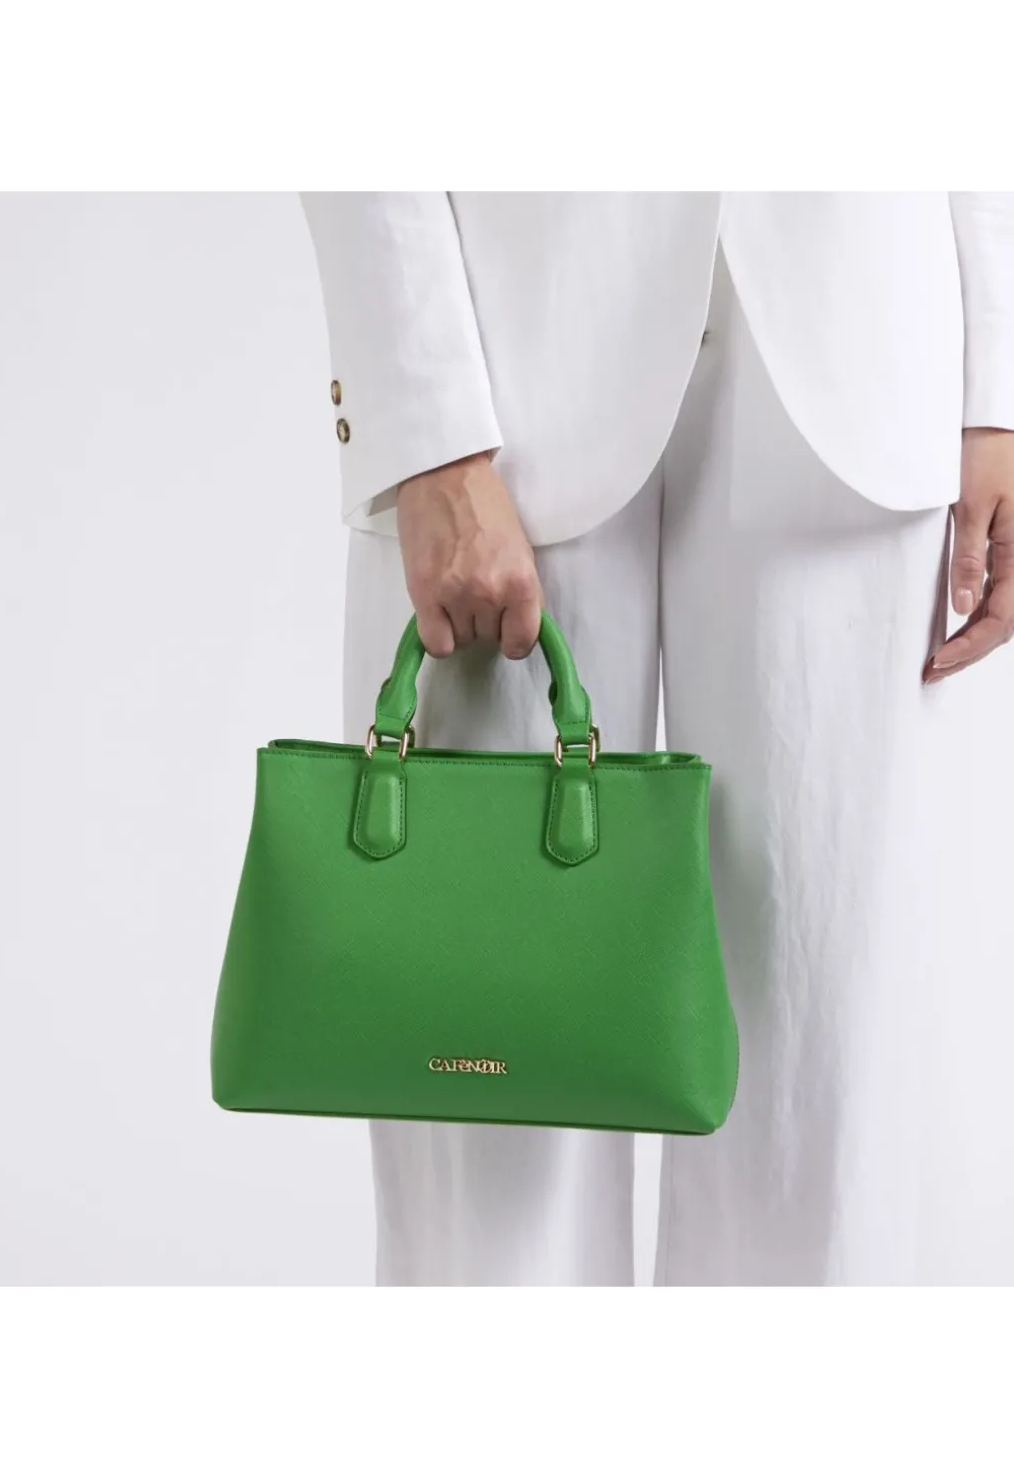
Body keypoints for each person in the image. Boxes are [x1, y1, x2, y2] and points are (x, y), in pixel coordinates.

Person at [300, 193, 1014, 1287]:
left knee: (822, 1116)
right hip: (504, 364)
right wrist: (421, 423)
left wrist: (997, 385)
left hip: (862, 347)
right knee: (490, 1097)